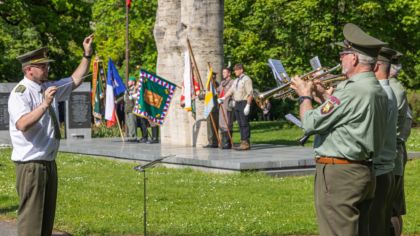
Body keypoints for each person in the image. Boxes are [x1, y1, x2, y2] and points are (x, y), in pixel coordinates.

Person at [290, 23, 388, 236]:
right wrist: (325, 96)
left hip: (340, 175)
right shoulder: (374, 89)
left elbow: (309, 123)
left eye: (343, 54)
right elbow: (348, 114)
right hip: (362, 171)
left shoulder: (352, 91)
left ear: (353, 58)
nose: (340, 59)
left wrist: (304, 95)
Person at [8, 35, 93, 236]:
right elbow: (22, 124)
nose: (47, 69)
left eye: (47, 65)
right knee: (31, 224)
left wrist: (87, 54)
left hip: (48, 162)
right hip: (31, 165)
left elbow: (75, 80)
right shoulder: (20, 93)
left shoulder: (46, 87)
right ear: (29, 69)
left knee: (45, 224)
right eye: (43, 66)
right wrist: (45, 105)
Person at [369, 47, 398, 236]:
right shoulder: (387, 91)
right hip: (385, 168)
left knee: (373, 228)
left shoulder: (381, 94)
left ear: (377, 66)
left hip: (378, 171)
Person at [388, 51, 412, 236]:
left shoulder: (393, 89)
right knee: (392, 208)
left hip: (392, 154)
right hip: (395, 153)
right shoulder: (395, 87)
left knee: (391, 209)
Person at [218, 64, 253, 151]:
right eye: (234, 70)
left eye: (237, 70)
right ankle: (242, 142)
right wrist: (224, 97)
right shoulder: (237, 80)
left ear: (241, 70)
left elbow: (250, 93)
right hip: (237, 103)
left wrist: (248, 105)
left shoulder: (246, 79)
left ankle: (246, 142)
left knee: (244, 123)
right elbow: (231, 90)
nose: (235, 71)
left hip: (244, 102)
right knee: (240, 123)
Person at [217, 68, 234, 149]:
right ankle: (224, 142)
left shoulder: (232, 82)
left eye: (225, 72)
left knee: (228, 122)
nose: (223, 73)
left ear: (229, 73)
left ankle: (228, 142)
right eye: (222, 72)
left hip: (228, 105)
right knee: (222, 123)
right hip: (221, 105)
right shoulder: (222, 83)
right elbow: (218, 91)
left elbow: (232, 92)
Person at [204, 72, 219, 148]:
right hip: (209, 108)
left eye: (214, 76)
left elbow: (218, 94)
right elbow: (203, 95)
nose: (212, 77)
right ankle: (211, 142)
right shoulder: (207, 85)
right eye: (211, 76)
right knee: (209, 126)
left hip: (215, 107)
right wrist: (202, 94)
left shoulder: (217, 84)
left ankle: (215, 142)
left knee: (215, 125)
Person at [124, 76, 138, 142]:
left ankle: (134, 137)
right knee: (128, 122)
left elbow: (136, 97)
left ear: (133, 82)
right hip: (127, 108)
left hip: (132, 108)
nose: (128, 82)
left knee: (132, 122)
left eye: (129, 81)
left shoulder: (135, 89)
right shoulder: (128, 89)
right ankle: (130, 136)